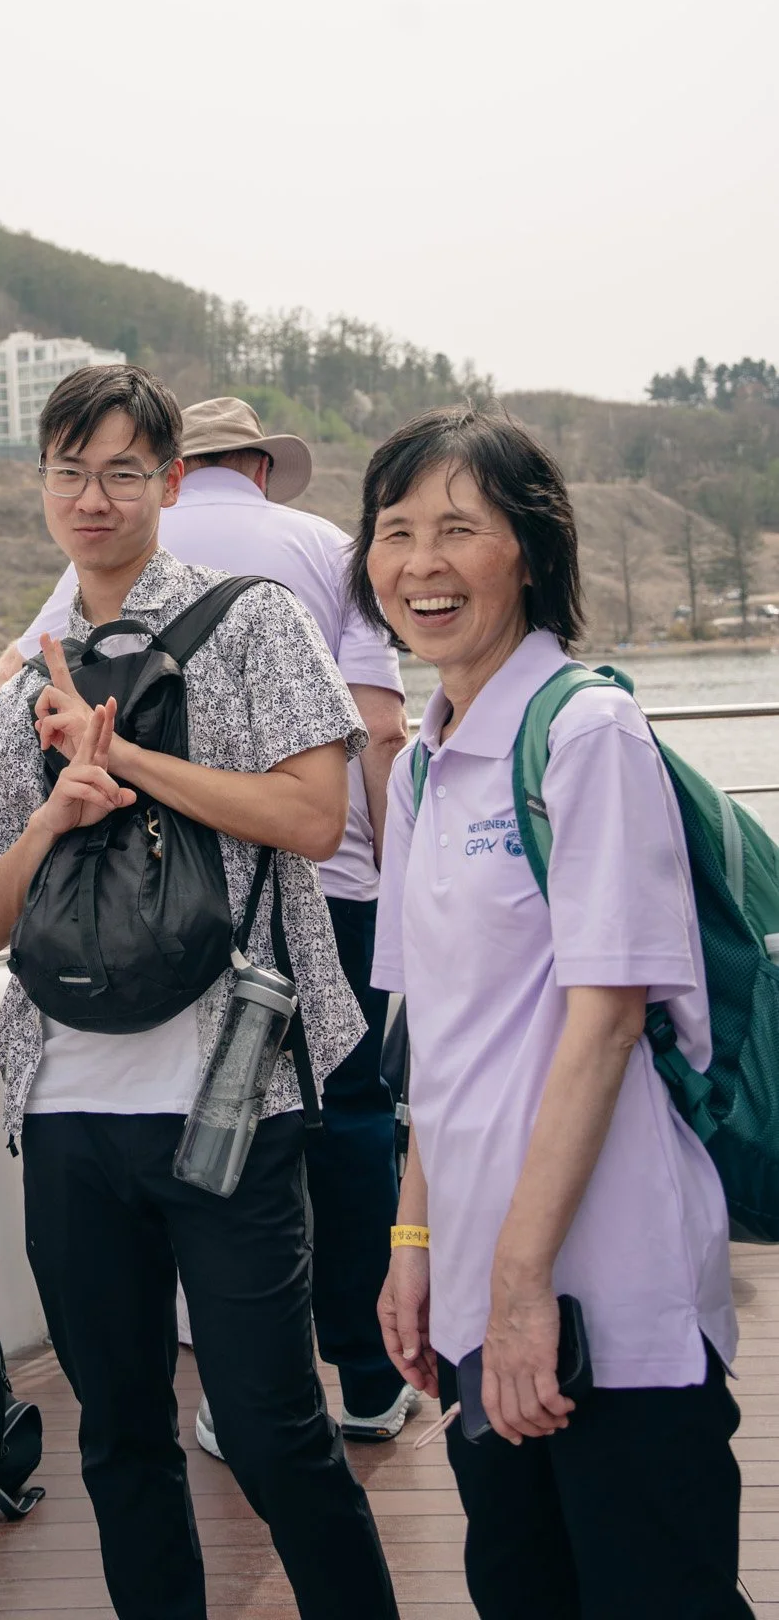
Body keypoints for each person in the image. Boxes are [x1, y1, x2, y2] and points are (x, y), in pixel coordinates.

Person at [0, 363, 399, 1620]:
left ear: (168, 482)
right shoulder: (30, 678)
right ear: (42, 484)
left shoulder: (254, 622)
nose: (92, 497)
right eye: (69, 471)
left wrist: (129, 758)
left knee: (271, 1427)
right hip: (65, 1107)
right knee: (120, 1434)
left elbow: (313, 817)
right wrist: (56, 807)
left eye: (121, 471)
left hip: (229, 1093)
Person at [356, 407, 744, 1620]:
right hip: (487, 1289)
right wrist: (415, 1245)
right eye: (395, 529)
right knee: (521, 1587)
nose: (421, 563)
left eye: (458, 528)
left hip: (609, 1292)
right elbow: (439, 1041)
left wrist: (522, 1284)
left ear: (529, 549)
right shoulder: (423, 764)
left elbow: (608, 1020)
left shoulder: (586, 732)